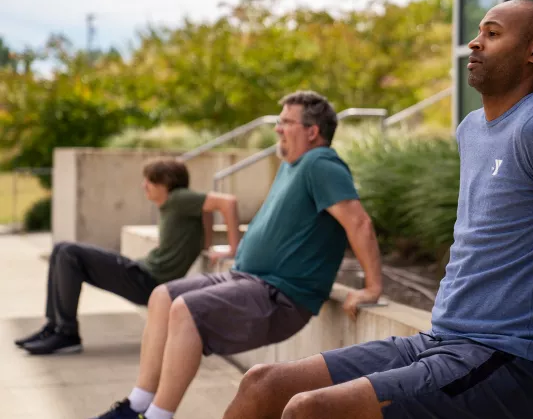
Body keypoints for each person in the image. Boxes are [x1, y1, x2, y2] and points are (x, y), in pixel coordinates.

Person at [220, 0, 533, 419]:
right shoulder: (472, 129)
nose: (474, 42)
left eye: (492, 33)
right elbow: (526, 234)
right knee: (264, 382)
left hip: (504, 358)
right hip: (440, 339)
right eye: (479, 32)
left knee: (311, 410)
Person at [89, 90, 384, 419]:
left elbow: (359, 222)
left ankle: (157, 416)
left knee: (186, 310)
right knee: (162, 296)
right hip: (247, 278)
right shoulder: (293, 166)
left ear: (312, 131)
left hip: (279, 293)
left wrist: (372, 287)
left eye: (286, 122)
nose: (277, 129)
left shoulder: (321, 163)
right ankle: (137, 405)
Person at [14, 158, 241, 356]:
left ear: (167, 183)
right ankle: (54, 327)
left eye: (150, 181)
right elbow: (206, 209)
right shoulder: (179, 204)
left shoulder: (178, 198)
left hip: (147, 280)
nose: (144, 186)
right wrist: (207, 244)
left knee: (68, 251)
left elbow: (227, 202)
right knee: (61, 251)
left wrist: (233, 249)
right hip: (142, 273)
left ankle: (65, 333)